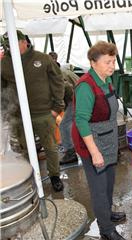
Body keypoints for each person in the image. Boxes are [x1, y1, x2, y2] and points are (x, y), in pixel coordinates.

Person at [71, 41, 126, 240]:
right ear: (93, 62)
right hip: (92, 143)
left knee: (109, 182)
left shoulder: (105, 80)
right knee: (99, 188)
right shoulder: (86, 86)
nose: (112, 66)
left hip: (107, 140)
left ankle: (107, 214)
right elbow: (81, 121)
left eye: (113, 61)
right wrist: (94, 152)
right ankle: (106, 229)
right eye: (107, 62)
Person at [1, 30, 65, 192]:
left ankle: (54, 176)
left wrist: (57, 107)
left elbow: (58, 81)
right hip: (19, 116)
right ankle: (31, 177)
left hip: (44, 113)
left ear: (24, 42)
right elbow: (2, 89)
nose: (10, 48)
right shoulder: (4, 64)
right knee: (23, 149)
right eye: (7, 46)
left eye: (14, 44)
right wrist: (6, 112)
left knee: (50, 147)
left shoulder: (42, 59)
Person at [49, 51, 79, 164]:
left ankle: (70, 153)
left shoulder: (56, 74)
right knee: (77, 123)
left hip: (76, 97)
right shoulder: (61, 70)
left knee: (64, 125)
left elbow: (67, 89)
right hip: (78, 95)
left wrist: (57, 108)